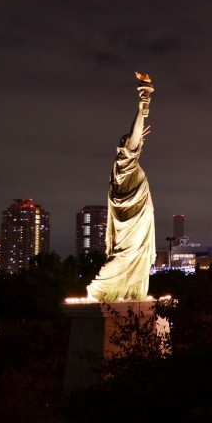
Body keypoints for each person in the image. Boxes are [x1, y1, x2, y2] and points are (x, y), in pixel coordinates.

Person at [86, 74, 156, 302]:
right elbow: (134, 137)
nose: (137, 146)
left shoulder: (123, 168)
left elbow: (135, 139)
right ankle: (102, 289)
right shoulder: (125, 162)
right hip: (130, 228)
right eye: (134, 144)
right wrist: (142, 107)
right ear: (125, 147)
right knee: (122, 259)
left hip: (136, 224)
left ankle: (128, 291)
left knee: (130, 258)